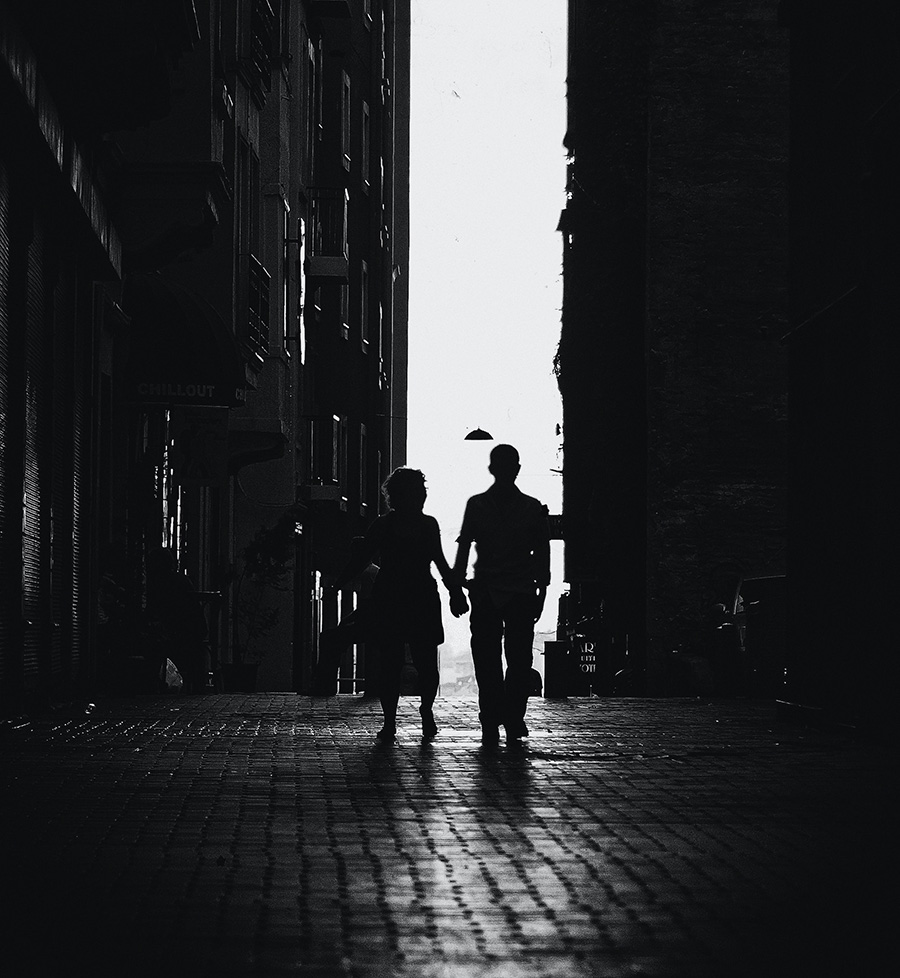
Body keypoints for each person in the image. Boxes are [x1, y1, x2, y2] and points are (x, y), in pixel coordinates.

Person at [334, 467, 468, 742]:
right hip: (421, 597)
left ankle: (390, 723)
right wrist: (455, 592)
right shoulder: (427, 525)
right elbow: (440, 562)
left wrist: (338, 583)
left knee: (390, 663)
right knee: (425, 662)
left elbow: (361, 558)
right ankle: (425, 712)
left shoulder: (383, 525)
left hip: (390, 597)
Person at [453, 444, 551, 745]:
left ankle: (492, 717)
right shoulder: (532, 508)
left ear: (491, 468)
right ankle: (512, 717)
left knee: (488, 660)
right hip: (520, 592)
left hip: (486, 592)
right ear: (516, 469)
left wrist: (457, 589)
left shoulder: (477, 505)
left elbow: (464, 547)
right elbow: (542, 553)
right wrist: (542, 592)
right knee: (518, 660)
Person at [311, 538, 379, 696]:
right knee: (333, 638)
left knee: (328, 638)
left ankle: (324, 686)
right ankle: (325, 685)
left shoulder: (367, 575)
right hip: (375, 624)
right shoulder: (373, 571)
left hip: (371, 626)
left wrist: (347, 620)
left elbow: (367, 607)